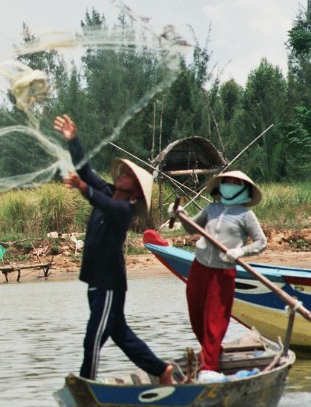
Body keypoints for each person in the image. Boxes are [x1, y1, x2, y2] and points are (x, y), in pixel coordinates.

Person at [53, 114, 174, 384]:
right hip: (97, 281)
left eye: (130, 176)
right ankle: (161, 370)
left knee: (93, 338)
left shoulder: (123, 209)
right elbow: (85, 171)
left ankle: (88, 385)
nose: (124, 175)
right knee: (120, 334)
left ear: (134, 194)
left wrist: (83, 187)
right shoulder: (107, 192)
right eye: (125, 172)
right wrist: (73, 140)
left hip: (109, 283)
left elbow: (96, 196)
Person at [168, 171, 266, 377]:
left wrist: (241, 251)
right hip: (200, 266)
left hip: (223, 272)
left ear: (244, 189)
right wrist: (179, 214)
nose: (229, 185)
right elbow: (191, 227)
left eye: (235, 183)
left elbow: (261, 242)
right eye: (226, 182)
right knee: (196, 315)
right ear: (220, 186)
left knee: (215, 320)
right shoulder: (211, 208)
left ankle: (209, 369)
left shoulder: (245, 215)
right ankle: (212, 352)